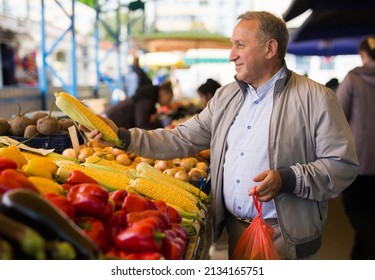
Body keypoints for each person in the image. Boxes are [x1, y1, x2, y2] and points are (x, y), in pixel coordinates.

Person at [84, 11, 359, 260]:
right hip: (236, 229)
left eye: (240, 45)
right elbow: (181, 138)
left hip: (283, 237)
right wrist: (123, 137)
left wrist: (287, 179)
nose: (231, 55)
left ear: (270, 48)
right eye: (232, 45)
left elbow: (341, 165)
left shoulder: (316, 98)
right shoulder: (226, 96)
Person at [336, 35, 375, 260]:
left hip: (358, 165)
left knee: (360, 214)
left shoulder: (353, 79)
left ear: (362, 55)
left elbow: (337, 118)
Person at [103, 80, 174, 129]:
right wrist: (160, 124)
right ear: (163, 93)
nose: (168, 102)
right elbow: (141, 124)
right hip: (109, 122)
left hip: (112, 120)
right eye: (169, 98)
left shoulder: (148, 96)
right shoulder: (147, 99)